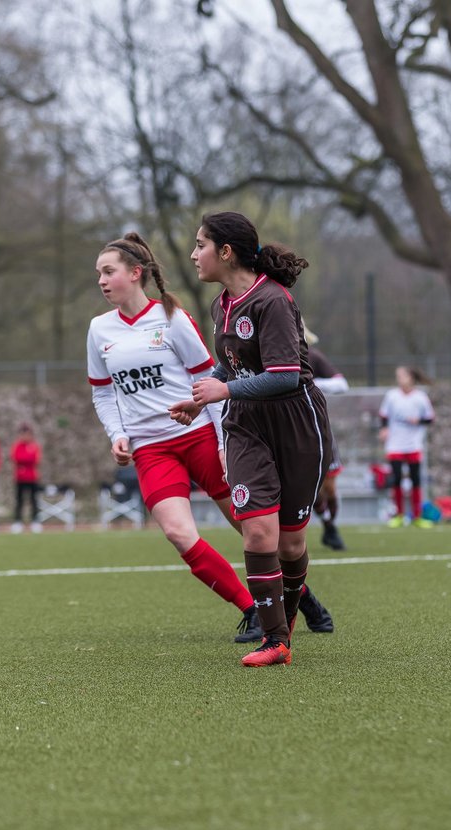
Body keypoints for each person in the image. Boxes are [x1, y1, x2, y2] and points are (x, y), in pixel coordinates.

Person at [91, 231, 333, 649]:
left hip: (198, 435)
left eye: (108, 271)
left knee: (255, 531)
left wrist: (224, 442)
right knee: (179, 534)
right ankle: (252, 609)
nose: (101, 280)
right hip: (150, 448)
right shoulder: (98, 330)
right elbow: (101, 391)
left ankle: (301, 599)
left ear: (135, 273)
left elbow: (212, 378)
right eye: (98, 273)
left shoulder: (172, 318)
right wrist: (118, 434)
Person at [172, 211, 336, 667]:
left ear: (225, 252)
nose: (194, 254)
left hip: (296, 424)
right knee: (258, 531)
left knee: (290, 545)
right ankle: (276, 640)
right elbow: (233, 364)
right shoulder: (220, 304)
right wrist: (204, 397)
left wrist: (222, 389)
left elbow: (284, 376)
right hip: (246, 426)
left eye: (200, 244)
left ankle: (286, 619)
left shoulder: (273, 301)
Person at [379, 365, 436, 528]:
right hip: (395, 445)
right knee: (396, 479)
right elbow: (384, 415)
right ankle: (399, 515)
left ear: (411, 377)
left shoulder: (420, 397)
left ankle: (417, 516)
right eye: (398, 376)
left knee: (415, 479)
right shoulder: (392, 396)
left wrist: (418, 421)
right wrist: (384, 429)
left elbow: (430, 418)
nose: (399, 379)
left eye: (402, 375)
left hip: (414, 444)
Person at [306, 331, 348, 550]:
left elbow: (342, 384)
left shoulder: (313, 357)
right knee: (307, 487)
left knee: (329, 487)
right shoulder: (269, 357)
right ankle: (325, 523)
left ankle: (331, 525)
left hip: (319, 430)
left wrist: (310, 383)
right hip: (291, 434)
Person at [10, 422, 43, 533]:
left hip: (32, 477)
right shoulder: (17, 446)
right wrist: (27, 459)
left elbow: (35, 459)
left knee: (34, 500)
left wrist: (26, 460)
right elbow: (17, 458)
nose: (26, 437)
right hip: (20, 478)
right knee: (19, 501)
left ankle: (35, 521)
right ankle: (18, 521)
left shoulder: (34, 446)